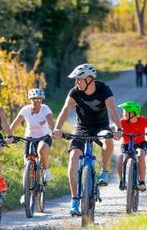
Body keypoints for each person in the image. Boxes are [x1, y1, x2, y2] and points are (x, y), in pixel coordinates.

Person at [52, 63, 122, 216]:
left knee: (108, 140)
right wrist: (57, 128)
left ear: (89, 79)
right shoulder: (75, 92)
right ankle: (75, 200)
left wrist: (118, 128)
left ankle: (104, 171)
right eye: (76, 80)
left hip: (100, 126)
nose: (77, 83)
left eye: (79, 79)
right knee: (73, 158)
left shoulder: (104, 89)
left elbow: (112, 110)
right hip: (82, 128)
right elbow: (65, 110)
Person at [10, 88, 55, 204]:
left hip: (44, 136)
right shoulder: (25, 110)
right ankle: (26, 192)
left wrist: (55, 130)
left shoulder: (45, 109)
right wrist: (8, 135)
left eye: (39, 99)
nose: (37, 101)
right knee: (27, 164)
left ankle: (46, 171)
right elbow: (15, 123)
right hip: (29, 137)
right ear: (30, 100)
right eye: (34, 99)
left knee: (41, 150)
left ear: (42, 100)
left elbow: (51, 122)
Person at [116, 101, 147, 192]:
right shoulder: (122, 121)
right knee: (120, 159)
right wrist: (111, 132)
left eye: (124, 111)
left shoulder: (142, 120)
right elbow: (114, 127)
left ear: (132, 113)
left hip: (140, 143)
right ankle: (121, 180)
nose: (122, 113)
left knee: (141, 155)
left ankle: (142, 182)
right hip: (126, 144)